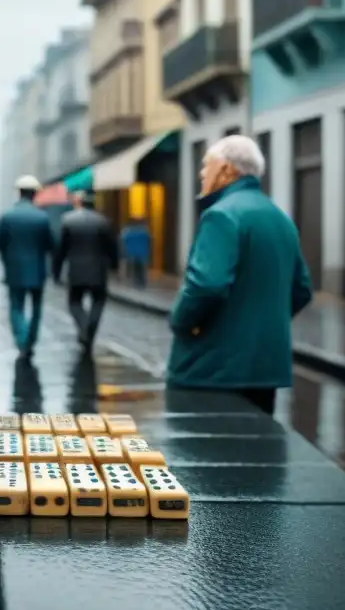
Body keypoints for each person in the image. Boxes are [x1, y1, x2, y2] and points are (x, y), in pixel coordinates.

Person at [166, 135, 313, 415]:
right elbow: (302, 289)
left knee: (206, 453)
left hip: (212, 368)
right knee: (257, 451)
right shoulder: (279, 217)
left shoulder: (220, 215)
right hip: (264, 367)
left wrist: (180, 322)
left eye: (206, 165)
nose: (202, 173)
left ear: (226, 169)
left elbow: (207, 285)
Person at [0, 175, 54, 360]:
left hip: (14, 270)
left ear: (19, 193)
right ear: (34, 194)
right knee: (36, 308)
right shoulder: (42, 217)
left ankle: (22, 340)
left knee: (16, 307)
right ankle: (31, 341)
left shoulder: (7, 216)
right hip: (37, 270)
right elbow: (50, 244)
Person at [54, 191, 118, 351]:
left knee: (74, 302)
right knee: (98, 301)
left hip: (76, 270)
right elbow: (112, 247)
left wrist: (56, 271)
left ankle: (83, 327)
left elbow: (61, 250)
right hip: (98, 270)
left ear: (80, 203)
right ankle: (89, 330)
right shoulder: (103, 222)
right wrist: (114, 265)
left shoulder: (68, 221)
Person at [120, 220, 150, 287]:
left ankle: (135, 280)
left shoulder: (127, 232)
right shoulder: (144, 232)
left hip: (132, 253)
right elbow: (148, 242)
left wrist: (123, 253)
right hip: (142, 253)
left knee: (134, 268)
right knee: (141, 268)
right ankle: (142, 281)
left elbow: (123, 242)